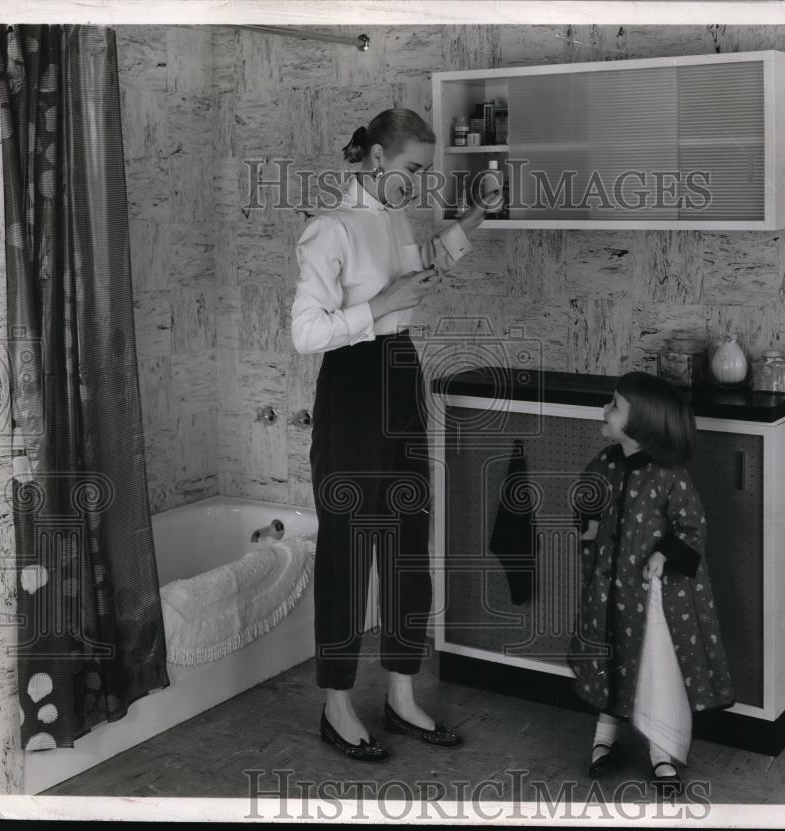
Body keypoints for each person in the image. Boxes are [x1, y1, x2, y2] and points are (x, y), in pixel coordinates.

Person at [291, 108, 497, 763]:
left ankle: (403, 694)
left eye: (425, 173)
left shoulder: (397, 219)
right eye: (412, 169)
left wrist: (478, 215)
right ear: (377, 159)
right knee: (348, 545)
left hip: (401, 374)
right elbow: (305, 332)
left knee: (409, 537)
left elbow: (427, 260)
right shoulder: (329, 230)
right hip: (351, 384)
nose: (418, 182)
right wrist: (379, 305)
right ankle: (337, 703)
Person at [568, 372, 734, 793]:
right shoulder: (605, 462)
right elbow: (587, 497)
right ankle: (602, 740)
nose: (605, 410)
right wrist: (587, 523)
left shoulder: (669, 475)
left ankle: (662, 752)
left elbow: (692, 527)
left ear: (641, 424)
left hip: (655, 601)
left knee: (656, 671)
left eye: (615, 406)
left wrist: (663, 555)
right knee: (611, 663)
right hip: (609, 593)